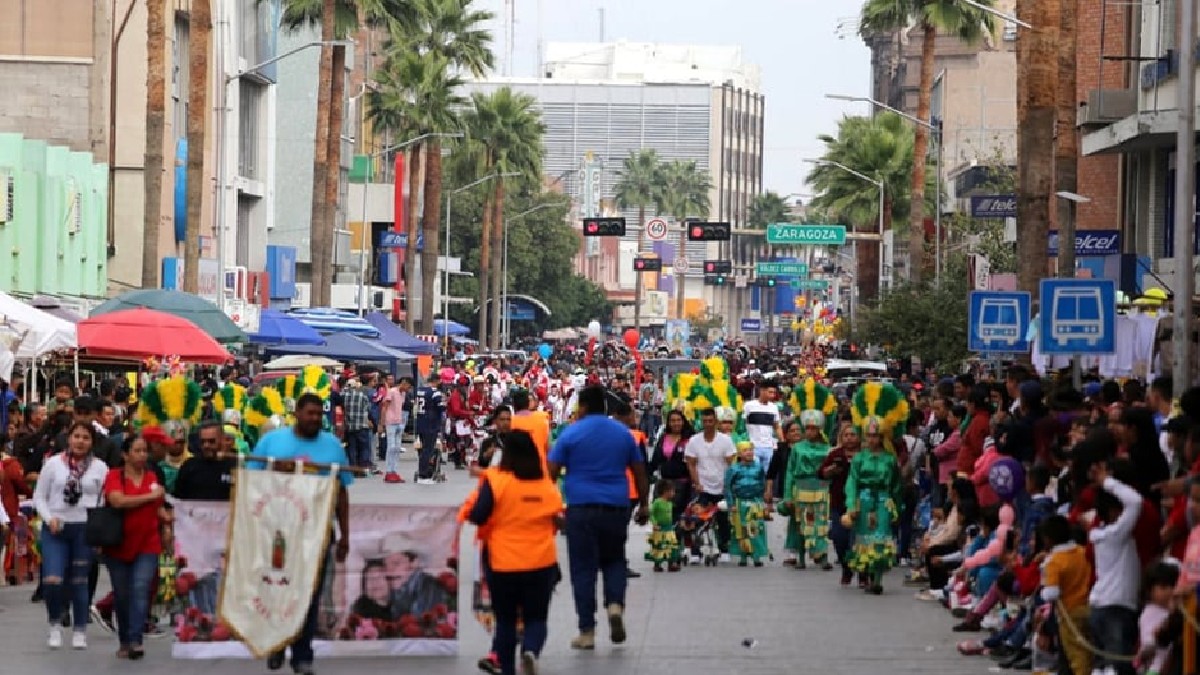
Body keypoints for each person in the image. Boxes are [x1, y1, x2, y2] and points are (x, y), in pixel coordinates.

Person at [254, 393, 354, 675]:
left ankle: (302, 655)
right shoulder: (271, 443)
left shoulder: (333, 446)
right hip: (279, 532)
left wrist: (345, 535)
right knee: (278, 589)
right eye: (309, 413)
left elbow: (341, 493)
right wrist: (276, 471)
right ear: (296, 413)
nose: (314, 418)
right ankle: (277, 643)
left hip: (318, 534)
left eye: (318, 414)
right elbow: (252, 482)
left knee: (309, 596)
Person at [548, 386, 649, 651]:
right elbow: (640, 471)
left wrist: (551, 509)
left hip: (580, 509)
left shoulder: (571, 433)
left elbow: (551, 473)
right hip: (616, 507)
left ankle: (587, 631)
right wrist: (644, 505)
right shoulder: (622, 433)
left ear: (582, 406)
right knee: (614, 560)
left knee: (583, 569)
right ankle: (614, 605)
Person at [465, 431, 564, 675]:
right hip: (540, 562)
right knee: (536, 618)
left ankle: (508, 668)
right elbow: (559, 519)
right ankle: (530, 649)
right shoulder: (545, 484)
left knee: (506, 621)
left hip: (503, 562)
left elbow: (478, 515)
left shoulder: (496, 481)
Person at [32, 421, 109, 649]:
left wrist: (99, 532)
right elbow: (39, 496)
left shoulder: (100, 468)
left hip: (84, 529)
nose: (80, 441)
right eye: (77, 436)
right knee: (53, 579)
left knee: (79, 581)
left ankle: (80, 629)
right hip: (56, 528)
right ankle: (55, 624)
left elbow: (104, 501)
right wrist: (49, 518)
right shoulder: (53, 464)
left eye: (86, 437)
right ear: (69, 438)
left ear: (92, 442)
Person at [101, 434, 168, 659]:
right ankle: (124, 640)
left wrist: (169, 521)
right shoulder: (114, 476)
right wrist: (150, 496)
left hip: (148, 542)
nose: (142, 455)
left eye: (144, 451)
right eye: (137, 451)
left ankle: (136, 639)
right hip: (118, 544)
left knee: (141, 588)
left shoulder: (151, 476)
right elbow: (117, 501)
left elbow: (159, 508)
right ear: (125, 454)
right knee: (122, 595)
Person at [842, 382, 906, 595]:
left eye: (876, 435)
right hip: (864, 500)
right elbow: (852, 482)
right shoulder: (859, 459)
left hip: (884, 502)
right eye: (869, 435)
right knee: (864, 539)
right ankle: (868, 575)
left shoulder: (890, 459)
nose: (872, 439)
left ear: (883, 435)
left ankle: (877, 579)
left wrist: (898, 508)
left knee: (881, 538)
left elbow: (896, 485)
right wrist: (851, 505)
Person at [782, 401, 835, 571]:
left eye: (814, 428)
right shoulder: (797, 448)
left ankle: (822, 555)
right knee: (801, 523)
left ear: (820, 429)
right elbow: (790, 472)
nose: (810, 431)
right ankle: (801, 557)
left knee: (820, 523)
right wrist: (788, 496)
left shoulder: (828, 448)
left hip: (821, 487)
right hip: (801, 487)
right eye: (808, 428)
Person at [683, 407, 736, 564]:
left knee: (723, 519)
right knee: (696, 518)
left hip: (721, 487)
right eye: (705, 421)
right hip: (702, 487)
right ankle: (695, 552)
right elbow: (691, 464)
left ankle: (724, 549)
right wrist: (697, 483)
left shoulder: (725, 440)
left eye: (710, 421)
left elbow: (731, 464)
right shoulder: (694, 440)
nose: (707, 424)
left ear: (716, 422)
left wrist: (729, 485)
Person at [725, 441, 769, 567]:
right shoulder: (733, 469)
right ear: (739, 454)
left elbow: (763, 484)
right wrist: (731, 504)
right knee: (742, 529)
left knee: (756, 528)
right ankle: (743, 556)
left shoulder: (758, 467)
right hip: (740, 502)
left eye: (750, 450)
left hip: (755, 502)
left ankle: (756, 556)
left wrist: (763, 501)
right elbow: (727, 487)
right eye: (745, 450)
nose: (749, 452)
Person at [172, 421, 235, 501]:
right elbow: (178, 499)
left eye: (211, 441)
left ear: (222, 439)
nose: (206, 445)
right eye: (203, 441)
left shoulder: (234, 467)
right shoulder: (189, 466)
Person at [413, 373, 446, 485]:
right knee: (428, 450)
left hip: (421, 422)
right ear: (437, 381)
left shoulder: (420, 391)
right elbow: (441, 407)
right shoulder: (435, 392)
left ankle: (422, 472)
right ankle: (423, 475)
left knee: (423, 450)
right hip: (431, 424)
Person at [742, 380, 782, 467]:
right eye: (770, 392)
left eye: (774, 393)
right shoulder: (749, 405)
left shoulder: (774, 407)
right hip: (752, 446)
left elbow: (777, 426)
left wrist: (782, 441)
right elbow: (742, 424)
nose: (772, 395)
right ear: (762, 391)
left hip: (769, 447)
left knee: (768, 472)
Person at [645, 480, 681, 573]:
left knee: (671, 545)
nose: (674, 493)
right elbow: (651, 513)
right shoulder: (657, 502)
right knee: (659, 546)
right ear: (665, 491)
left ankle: (671, 563)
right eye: (672, 491)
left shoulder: (670, 503)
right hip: (660, 528)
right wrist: (654, 523)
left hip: (669, 527)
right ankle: (657, 564)